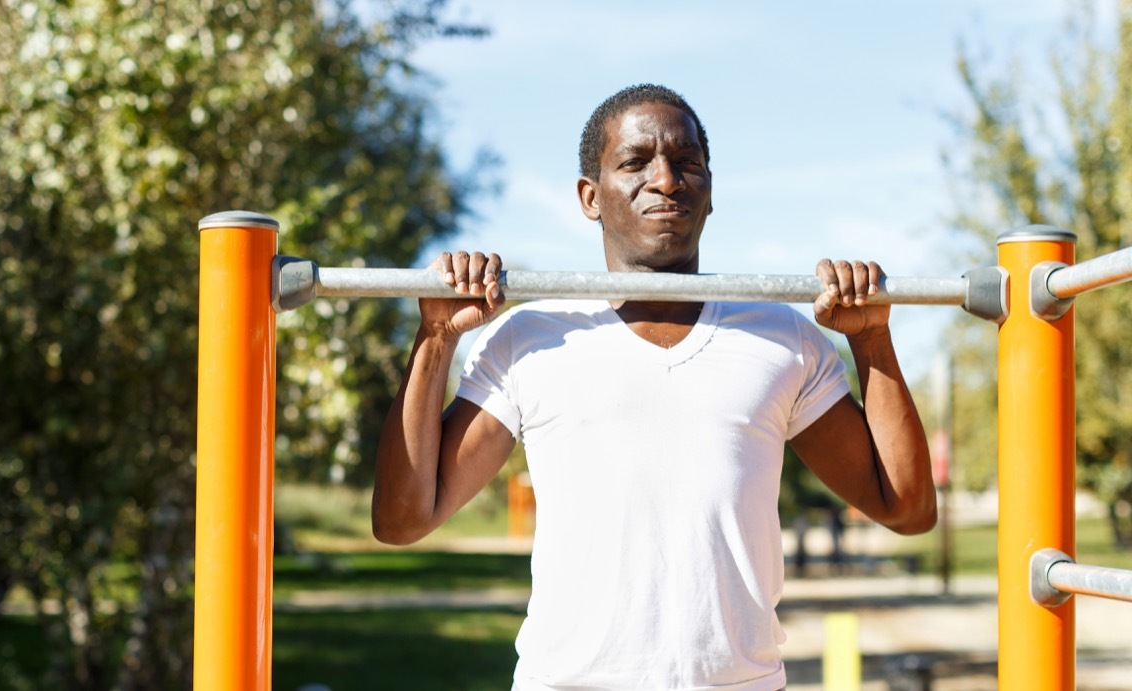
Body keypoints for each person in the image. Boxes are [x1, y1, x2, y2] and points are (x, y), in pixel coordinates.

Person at [372, 83, 936, 691]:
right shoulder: (530, 338)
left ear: (709, 190)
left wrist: (872, 340)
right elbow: (402, 520)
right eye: (636, 162)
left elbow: (907, 508)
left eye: (687, 163)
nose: (666, 180)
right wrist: (435, 338)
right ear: (591, 197)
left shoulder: (781, 338)